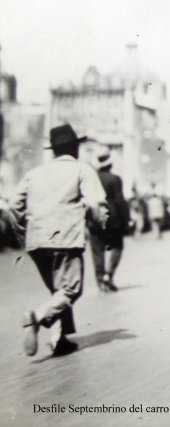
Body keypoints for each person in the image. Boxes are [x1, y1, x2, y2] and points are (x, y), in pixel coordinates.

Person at [10, 124, 108, 357]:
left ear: (54, 150)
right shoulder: (81, 170)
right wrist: (100, 226)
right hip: (66, 238)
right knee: (70, 291)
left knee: (57, 290)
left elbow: (14, 206)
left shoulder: (34, 173)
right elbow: (95, 204)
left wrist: (22, 233)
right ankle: (35, 317)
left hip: (36, 240)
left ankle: (59, 339)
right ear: (75, 147)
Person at [89, 151, 130, 292]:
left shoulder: (92, 178)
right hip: (113, 219)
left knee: (97, 250)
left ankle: (100, 280)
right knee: (117, 246)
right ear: (110, 164)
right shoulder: (115, 179)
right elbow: (119, 200)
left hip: (95, 218)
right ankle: (109, 275)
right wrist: (127, 219)